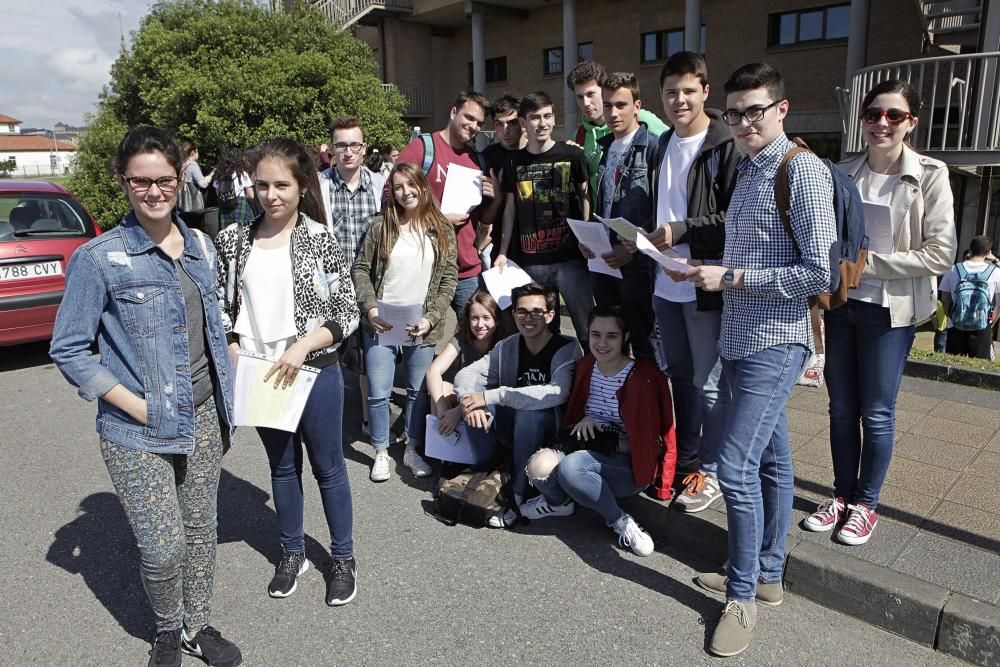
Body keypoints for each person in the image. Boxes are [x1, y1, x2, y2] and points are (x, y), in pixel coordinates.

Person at [49, 126, 243, 667]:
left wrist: (228, 368)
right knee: (164, 546)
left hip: (205, 415)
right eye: (141, 181)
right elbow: (69, 349)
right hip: (135, 427)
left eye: (165, 179)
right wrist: (137, 406)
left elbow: (214, 321)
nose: (155, 191)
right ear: (123, 181)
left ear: (181, 179)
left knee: (201, 531)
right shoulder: (100, 258)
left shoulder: (201, 243)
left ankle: (196, 625)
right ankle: (165, 628)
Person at [674, 63, 836, 657]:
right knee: (771, 462)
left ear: (782, 109)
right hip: (740, 339)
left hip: (779, 340)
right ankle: (766, 575)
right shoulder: (746, 170)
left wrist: (732, 277)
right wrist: (703, 271)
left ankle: (740, 596)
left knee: (735, 469)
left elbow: (818, 275)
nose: (743, 123)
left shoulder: (804, 173)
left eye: (755, 112)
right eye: (735, 113)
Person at [803, 79, 958, 546]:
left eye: (893, 116)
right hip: (843, 304)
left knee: (877, 411)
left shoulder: (930, 174)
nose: (881, 124)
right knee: (840, 408)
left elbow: (940, 253)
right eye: (873, 114)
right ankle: (841, 496)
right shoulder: (844, 171)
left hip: (890, 311)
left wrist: (871, 262)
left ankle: (866, 504)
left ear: (911, 121)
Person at [215, 138, 360, 605]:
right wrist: (234, 347)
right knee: (281, 467)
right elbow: (220, 306)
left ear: (301, 187)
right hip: (260, 375)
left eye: (282, 185)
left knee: (329, 468)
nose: (271, 195)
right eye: (262, 185)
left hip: (314, 369)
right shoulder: (233, 240)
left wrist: (303, 346)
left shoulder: (319, 239)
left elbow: (346, 308)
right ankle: (291, 551)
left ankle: (342, 558)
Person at [644, 51, 742, 513]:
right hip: (665, 282)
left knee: (709, 385)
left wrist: (681, 229)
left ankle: (714, 471)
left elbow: (735, 220)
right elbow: (661, 210)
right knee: (680, 378)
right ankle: (687, 461)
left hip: (703, 283)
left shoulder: (725, 144)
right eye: (670, 92)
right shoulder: (662, 143)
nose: (679, 99)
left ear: (706, 90)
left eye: (688, 90)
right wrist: (647, 237)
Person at [519, 305, 675, 557]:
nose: (601, 343)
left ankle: (620, 521)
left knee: (572, 466)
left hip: (626, 465)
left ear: (625, 338)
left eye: (611, 336)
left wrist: (604, 434)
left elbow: (647, 446)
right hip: (584, 450)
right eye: (595, 335)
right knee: (538, 466)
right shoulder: (586, 366)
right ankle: (560, 504)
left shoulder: (643, 378)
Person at [353, 162, 458, 482]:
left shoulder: (441, 228)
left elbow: (449, 279)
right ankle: (381, 451)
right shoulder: (380, 226)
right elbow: (360, 270)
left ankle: (411, 449)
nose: (405, 192)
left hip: (421, 323)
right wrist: (370, 310)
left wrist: (431, 318)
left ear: (422, 186)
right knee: (378, 392)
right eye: (398, 187)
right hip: (382, 320)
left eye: (410, 185)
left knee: (416, 391)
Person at [454, 282, 583, 516]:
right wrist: (469, 400)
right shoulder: (507, 346)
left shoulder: (566, 347)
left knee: (526, 411)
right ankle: (486, 470)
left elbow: (557, 392)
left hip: (550, 432)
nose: (528, 318)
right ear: (513, 314)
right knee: (475, 395)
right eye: (521, 311)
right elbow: (466, 374)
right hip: (513, 428)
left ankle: (517, 492)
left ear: (551, 315)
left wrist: (494, 395)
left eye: (537, 312)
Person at [494, 92, 594, 350]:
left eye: (547, 116)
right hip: (532, 263)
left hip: (571, 259)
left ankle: (593, 381)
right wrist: (503, 252)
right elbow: (510, 209)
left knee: (586, 327)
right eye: (535, 118)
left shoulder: (572, 155)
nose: (542, 123)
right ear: (524, 124)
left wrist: (586, 237)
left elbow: (586, 197)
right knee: (544, 332)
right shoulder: (514, 162)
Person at [394, 91, 502, 314]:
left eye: (479, 123)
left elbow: (484, 219)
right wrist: (438, 218)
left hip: (466, 268)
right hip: (425, 267)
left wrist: (496, 196)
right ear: (454, 112)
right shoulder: (422, 148)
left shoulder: (477, 160)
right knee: (422, 338)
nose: (473, 126)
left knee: (475, 337)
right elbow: (390, 195)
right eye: (469, 117)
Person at [584, 71, 659, 362]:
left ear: (637, 106)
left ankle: (647, 405)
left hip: (636, 265)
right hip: (603, 263)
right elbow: (601, 202)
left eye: (621, 105)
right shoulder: (602, 149)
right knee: (611, 342)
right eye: (607, 106)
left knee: (643, 343)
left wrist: (634, 247)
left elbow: (661, 208)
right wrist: (589, 239)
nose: (613, 113)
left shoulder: (653, 147)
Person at [405, 289, 507, 455]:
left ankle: (472, 451)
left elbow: (499, 388)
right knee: (442, 388)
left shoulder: (504, 344)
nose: (480, 324)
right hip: (464, 394)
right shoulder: (462, 338)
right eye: (474, 318)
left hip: (490, 400)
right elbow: (433, 371)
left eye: (486, 318)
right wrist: (443, 409)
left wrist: (458, 410)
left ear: (497, 320)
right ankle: (446, 447)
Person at [567, 60, 668, 211]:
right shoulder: (579, 135)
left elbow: (674, 147)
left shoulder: (641, 118)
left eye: (590, 94)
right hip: (601, 225)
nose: (586, 103)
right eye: (579, 97)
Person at [482, 93, 527, 267]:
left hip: (540, 244)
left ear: (522, 122)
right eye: (499, 124)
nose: (505, 130)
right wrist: (497, 198)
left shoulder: (537, 152)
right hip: (502, 244)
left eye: (512, 122)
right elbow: (484, 218)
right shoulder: (487, 157)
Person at [940, 235, 999, 359]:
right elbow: (999, 304)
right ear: (988, 253)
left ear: (970, 249)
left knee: (953, 365)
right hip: (982, 327)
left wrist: (951, 317)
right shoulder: (995, 272)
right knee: (979, 370)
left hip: (956, 325)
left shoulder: (953, 269)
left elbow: (944, 300)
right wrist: (990, 322)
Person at [212, 148, 256, 227]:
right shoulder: (242, 174)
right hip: (240, 204)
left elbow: (216, 192)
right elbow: (251, 195)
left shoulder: (218, 175)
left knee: (226, 234)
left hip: (224, 206)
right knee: (242, 233)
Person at [179, 141, 212, 212]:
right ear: (192, 153)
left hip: (182, 204)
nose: (198, 154)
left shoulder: (182, 164)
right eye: (197, 151)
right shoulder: (193, 165)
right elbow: (203, 184)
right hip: (192, 205)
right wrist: (208, 179)